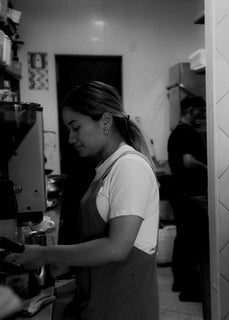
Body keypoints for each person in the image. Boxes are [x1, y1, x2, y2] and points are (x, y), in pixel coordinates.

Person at [6, 81, 160, 320]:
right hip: (102, 301)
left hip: (125, 306)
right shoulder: (107, 168)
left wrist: (47, 254)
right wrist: (69, 262)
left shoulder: (130, 167)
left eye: (76, 127)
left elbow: (116, 247)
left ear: (106, 121)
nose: (71, 138)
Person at [167, 95, 208, 302]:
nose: (204, 114)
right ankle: (190, 290)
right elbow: (188, 161)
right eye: (202, 110)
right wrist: (208, 168)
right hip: (190, 195)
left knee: (183, 239)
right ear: (191, 110)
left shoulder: (176, 132)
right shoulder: (187, 133)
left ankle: (179, 283)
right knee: (191, 242)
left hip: (181, 193)